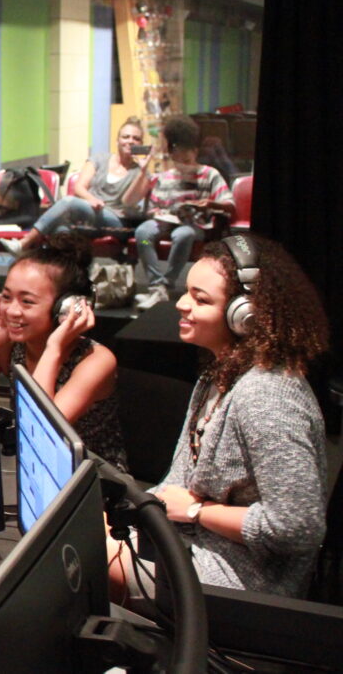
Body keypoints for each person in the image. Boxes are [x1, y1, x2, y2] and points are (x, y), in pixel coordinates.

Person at [108, 235, 329, 600]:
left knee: (84, 554)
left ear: (245, 315)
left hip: (247, 579)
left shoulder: (267, 395)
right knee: (84, 527)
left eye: (201, 299)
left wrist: (198, 511)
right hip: (194, 541)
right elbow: (179, 482)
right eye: (186, 292)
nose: (182, 304)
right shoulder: (217, 375)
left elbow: (298, 527)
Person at [0, 234, 127, 471]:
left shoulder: (96, 361)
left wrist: (54, 348)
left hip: (94, 481)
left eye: (27, 302)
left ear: (66, 307)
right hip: (37, 472)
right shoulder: (15, 346)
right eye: (6, 297)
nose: (12, 311)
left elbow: (40, 431)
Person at [123, 115, 236, 310]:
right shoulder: (164, 177)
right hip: (164, 222)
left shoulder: (209, 174)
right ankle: (156, 285)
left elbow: (229, 205)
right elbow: (150, 206)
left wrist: (209, 204)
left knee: (183, 235)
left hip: (194, 224)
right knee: (143, 234)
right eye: (178, 158)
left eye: (187, 158)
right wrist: (159, 214)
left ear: (195, 152)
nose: (183, 163)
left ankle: (167, 284)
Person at [1, 117, 149, 255]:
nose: (130, 141)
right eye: (126, 137)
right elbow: (79, 188)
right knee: (61, 230)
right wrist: (91, 199)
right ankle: (68, 271)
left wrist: (142, 171)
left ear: (141, 144)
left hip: (117, 221)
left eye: (136, 138)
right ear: (117, 140)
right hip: (91, 215)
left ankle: (24, 243)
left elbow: (129, 202)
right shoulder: (99, 159)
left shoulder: (141, 173)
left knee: (68, 201)